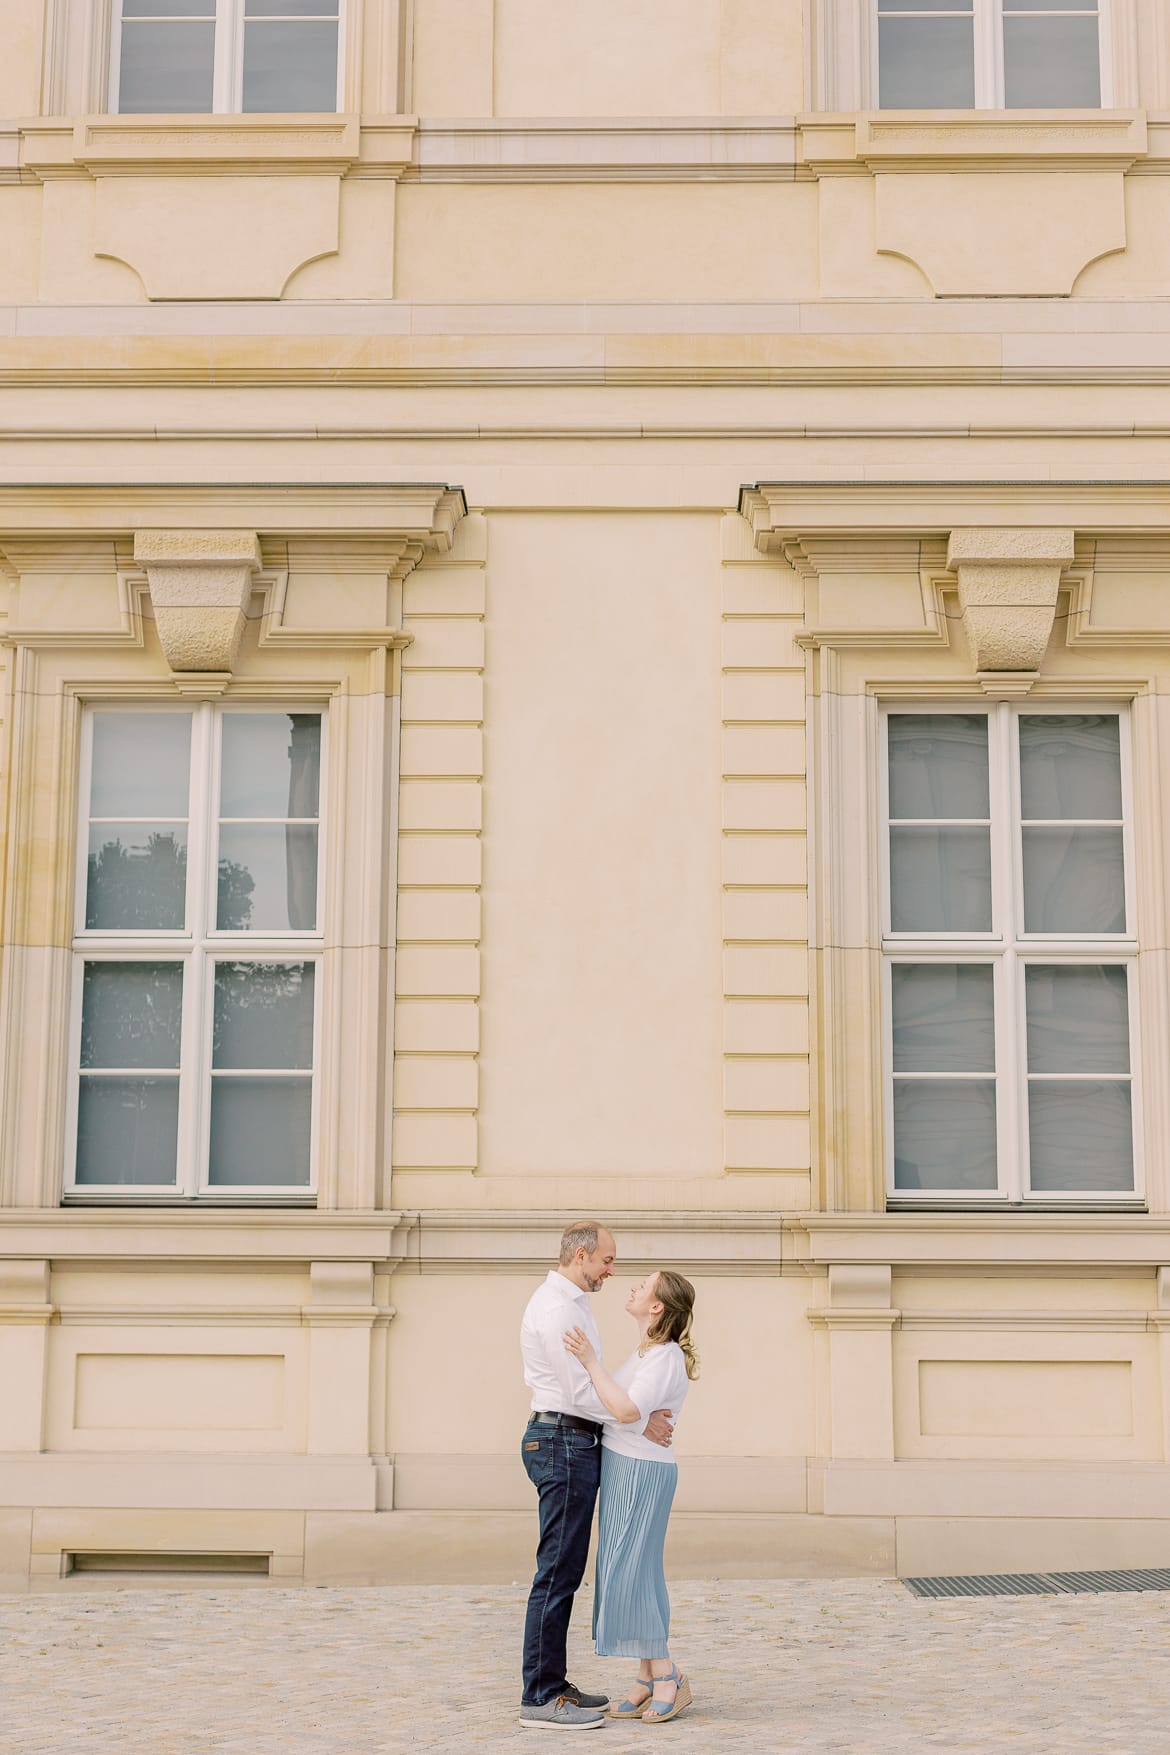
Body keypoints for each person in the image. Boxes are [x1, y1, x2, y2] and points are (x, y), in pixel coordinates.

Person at [518, 1221, 675, 1732]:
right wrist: (635, 1415)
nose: (612, 1270)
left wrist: (631, 1410)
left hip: (570, 1441)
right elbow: (578, 1393)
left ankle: (554, 1685)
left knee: (564, 1569)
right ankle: (541, 1698)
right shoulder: (560, 1308)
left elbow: (593, 1386)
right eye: (607, 1260)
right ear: (582, 1255)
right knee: (557, 1572)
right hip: (563, 1440)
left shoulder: (572, 1304)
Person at [563, 1269, 698, 1724]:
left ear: (657, 1306)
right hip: (624, 1466)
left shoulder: (665, 1357)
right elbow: (620, 1410)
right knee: (627, 1569)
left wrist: (589, 1361)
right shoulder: (649, 1353)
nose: (634, 1287)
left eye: (645, 1285)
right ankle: (645, 1678)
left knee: (634, 1572)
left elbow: (622, 1407)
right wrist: (635, 1419)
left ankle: (667, 1675)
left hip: (642, 1470)